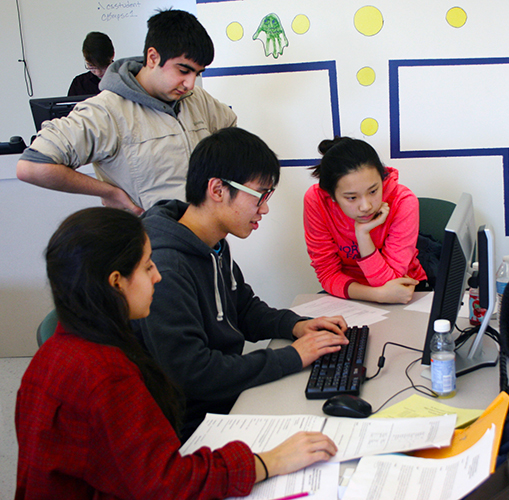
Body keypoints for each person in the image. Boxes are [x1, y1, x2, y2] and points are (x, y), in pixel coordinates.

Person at [14, 207, 338, 499]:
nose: (158, 276)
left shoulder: (56, 353)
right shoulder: (106, 374)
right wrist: (271, 461)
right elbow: (167, 484)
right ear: (116, 283)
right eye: (147, 266)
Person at [136, 127, 349, 441]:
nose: (264, 208)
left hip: (227, 400)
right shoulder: (164, 267)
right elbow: (194, 372)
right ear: (218, 190)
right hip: (194, 425)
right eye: (260, 195)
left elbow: (244, 308)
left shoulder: (212, 244)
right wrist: (293, 356)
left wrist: (297, 326)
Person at [16, 9, 237, 215]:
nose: (190, 83)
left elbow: (230, 134)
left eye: (197, 73)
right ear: (153, 57)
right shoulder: (106, 111)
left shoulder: (197, 99)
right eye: (183, 70)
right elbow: (32, 166)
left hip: (205, 242)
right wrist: (109, 192)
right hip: (150, 247)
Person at [303, 136, 427, 304]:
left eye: (374, 191)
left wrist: (362, 235)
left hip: (405, 292)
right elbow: (327, 273)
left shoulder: (403, 202)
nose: (366, 206)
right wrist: (378, 295)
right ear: (331, 195)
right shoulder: (317, 201)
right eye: (352, 198)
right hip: (350, 294)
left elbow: (391, 282)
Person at [68, 31, 115, 96]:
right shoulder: (79, 84)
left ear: (112, 56)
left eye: (102, 66)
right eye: (91, 66)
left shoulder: (127, 79)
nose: (98, 72)